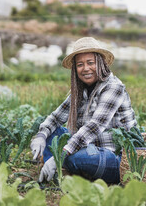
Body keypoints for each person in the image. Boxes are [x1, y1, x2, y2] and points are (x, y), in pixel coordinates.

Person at [30, 37, 137, 184]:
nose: (85, 68)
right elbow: (56, 118)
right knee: (53, 134)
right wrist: (41, 135)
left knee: (80, 157)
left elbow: (94, 126)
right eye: (80, 65)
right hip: (86, 147)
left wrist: (60, 156)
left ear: (100, 63)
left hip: (113, 157)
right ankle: (59, 169)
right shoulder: (80, 90)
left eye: (90, 63)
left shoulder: (113, 87)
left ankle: (59, 166)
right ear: (75, 69)